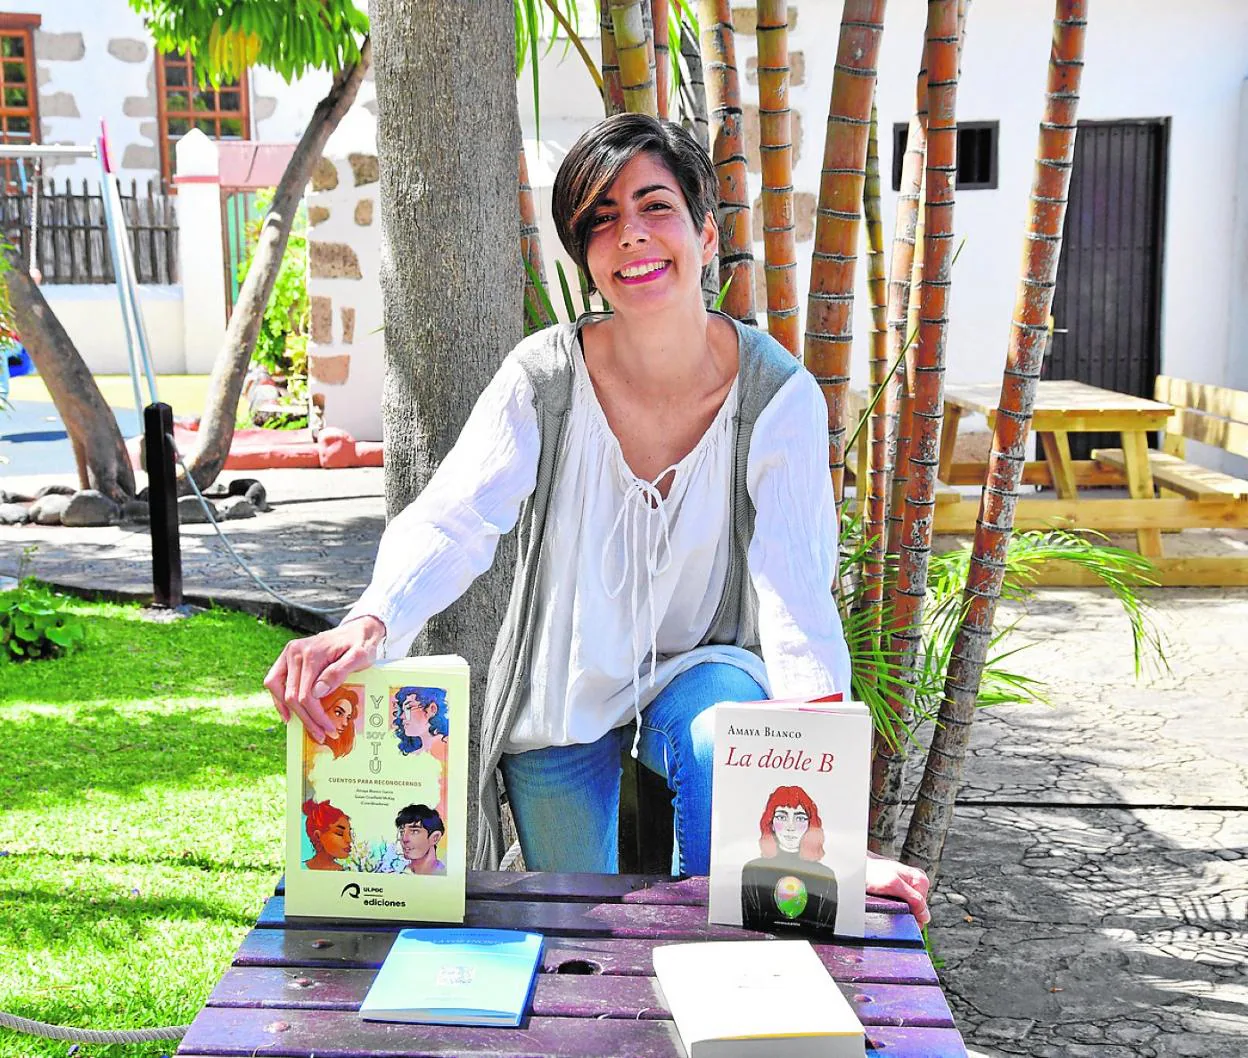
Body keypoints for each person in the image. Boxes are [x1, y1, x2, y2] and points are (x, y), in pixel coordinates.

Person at [266, 113, 930, 926]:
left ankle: (725, 997)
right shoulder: (544, 376)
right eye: (601, 220)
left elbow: (795, 594)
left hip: (702, 664)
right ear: (584, 254)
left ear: (704, 232)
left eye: (655, 207)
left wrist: (825, 825)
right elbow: (457, 515)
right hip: (565, 682)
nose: (631, 237)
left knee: (728, 743)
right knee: (572, 926)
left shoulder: (775, 394)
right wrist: (369, 623)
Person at [740, 785, 839, 933]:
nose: (790, 827)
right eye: (781, 817)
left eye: (800, 818)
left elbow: (825, 935)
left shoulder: (825, 877)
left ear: (810, 825)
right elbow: (752, 930)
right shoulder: (753, 871)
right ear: (770, 823)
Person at [392, 686, 450, 758]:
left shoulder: (448, 748)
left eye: (408, 708)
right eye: (402, 710)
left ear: (432, 709)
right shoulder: (416, 754)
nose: (402, 716)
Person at [302, 798, 353, 871]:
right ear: (318, 836)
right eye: (340, 833)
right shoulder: (298, 870)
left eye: (349, 833)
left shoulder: (346, 872)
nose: (349, 840)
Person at [394, 803, 446, 875]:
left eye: (414, 831)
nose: (404, 839)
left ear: (435, 837)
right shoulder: (398, 872)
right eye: (402, 832)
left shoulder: (444, 873)